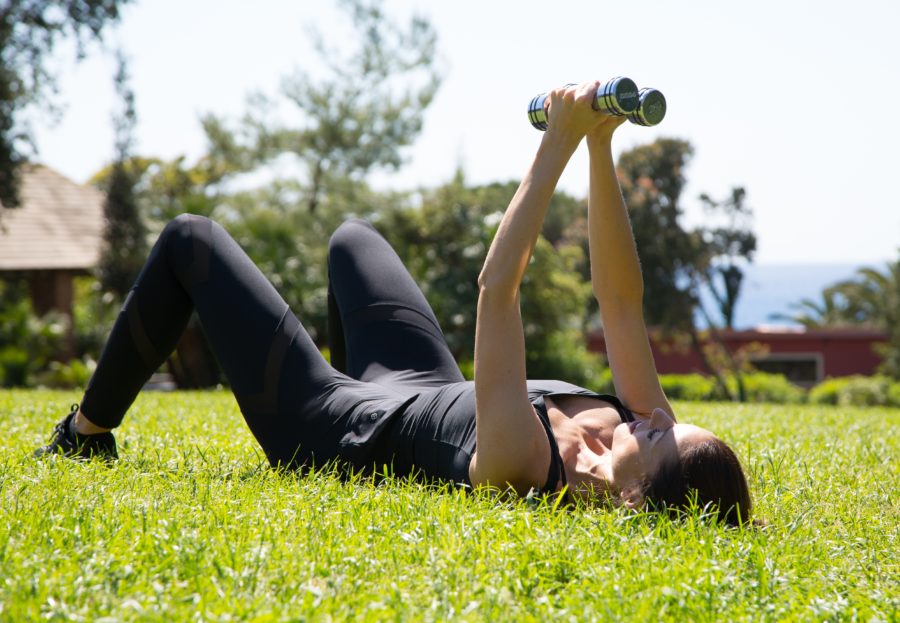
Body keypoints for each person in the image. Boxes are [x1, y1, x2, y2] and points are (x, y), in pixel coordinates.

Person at [35, 81, 752, 525]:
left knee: (191, 240)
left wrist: (555, 148)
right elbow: (621, 303)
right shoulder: (638, 418)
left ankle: (86, 433)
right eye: (668, 420)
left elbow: (497, 292)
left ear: (634, 498)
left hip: (337, 428)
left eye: (660, 437)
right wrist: (601, 146)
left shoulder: (522, 464)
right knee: (353, 239)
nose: (657, 416)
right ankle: (343, 373)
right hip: (419, 383)